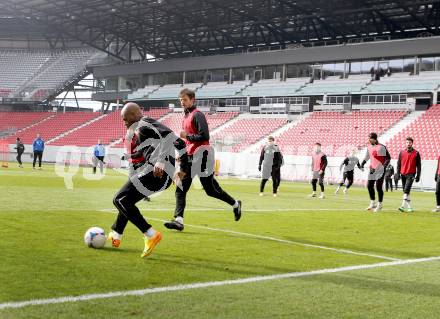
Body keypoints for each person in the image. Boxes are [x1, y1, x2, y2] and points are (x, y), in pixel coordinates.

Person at [108, 102, 187, 258]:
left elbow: (169, 136)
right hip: (158, 175)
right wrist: (181, 168)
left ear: (135, 114)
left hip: (155, 172)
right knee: (126, 200)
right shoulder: (140, 131)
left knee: (119, 199)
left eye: (125, 119)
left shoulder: (144, 122)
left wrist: (162, 161)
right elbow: (179, 142)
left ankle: (150, 234)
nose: (124, 123)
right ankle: (116, 233)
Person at [164, 88, 242, 232]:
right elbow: (188, 142)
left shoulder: (197, 115)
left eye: (185, 100)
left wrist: (186, 136)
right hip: (190, 156)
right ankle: (178, 220)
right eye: (181, 100)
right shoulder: (185, 117)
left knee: (211, 190)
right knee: (181, 187)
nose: (182, 102)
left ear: (192, 100)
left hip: (203, 156)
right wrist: (182, 154)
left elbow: (205, 136)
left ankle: (236, 204)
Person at [360, 132, 391, 212]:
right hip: (372, 169)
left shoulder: (381, 147)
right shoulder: (369, 147)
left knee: (378, 187)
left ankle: (380, 204)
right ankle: (372, 202)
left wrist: (384, 166)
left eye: (370, 139)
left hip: (380, 169)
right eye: (369, 138)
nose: (369, 140)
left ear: (374, 139)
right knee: (369, 185)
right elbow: (367, 156)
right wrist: (362, 163)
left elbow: (388, 158)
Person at [396, 137, 421, 213]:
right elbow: (398, 164)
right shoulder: (401, 152)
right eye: (407, 142)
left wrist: (418, 175)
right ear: (405, 143)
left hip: (411, 174)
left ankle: (402, 206)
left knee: (406, 190)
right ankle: (410, 207)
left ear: (412, 143)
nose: (408, 144)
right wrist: (397, 173)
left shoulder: (416, 153)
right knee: (406, 191)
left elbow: (419, 166)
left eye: (409, 142)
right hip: (403, 174)